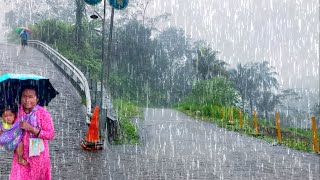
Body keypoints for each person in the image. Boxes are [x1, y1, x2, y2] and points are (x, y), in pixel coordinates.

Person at [9, 85, 55, 180]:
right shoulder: (16, 111)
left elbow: (50, 134)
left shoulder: (43, 114)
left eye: (30, 97)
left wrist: (32, 129)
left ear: (37, 99)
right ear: (20, 97)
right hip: (20, 157)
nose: (27, 100)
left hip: (38, 157)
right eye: (24, 96)